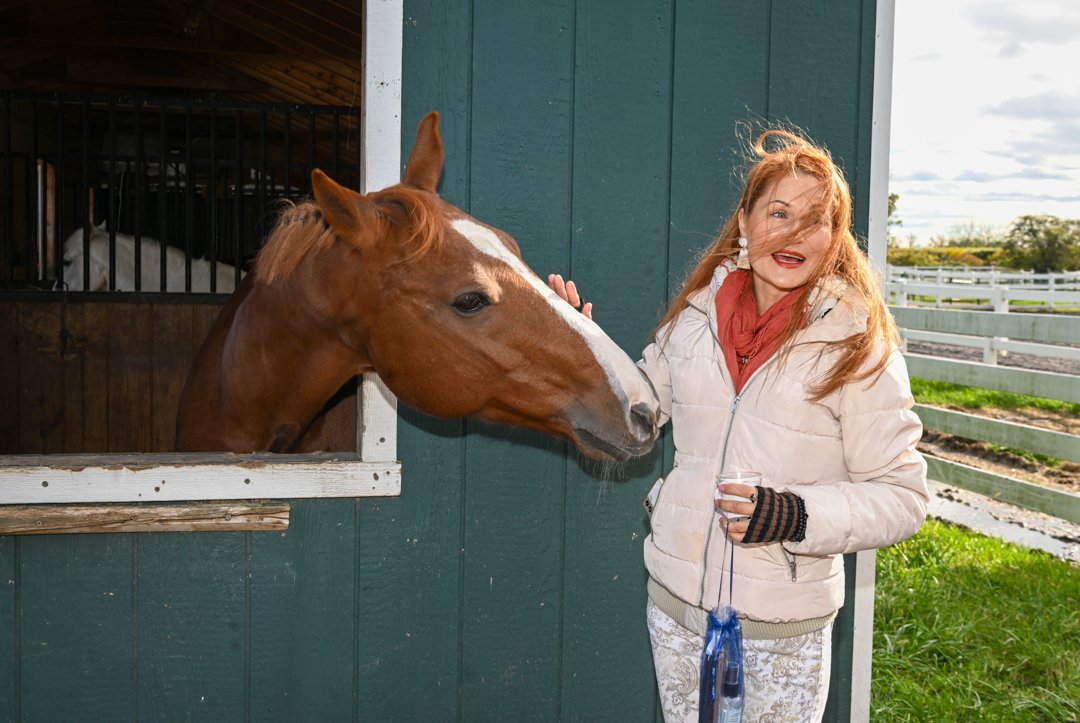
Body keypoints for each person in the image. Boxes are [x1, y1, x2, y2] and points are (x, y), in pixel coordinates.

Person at [548, 127, 928, 722]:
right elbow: (634, 418)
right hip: (675, 609)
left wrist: (795, 515)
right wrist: (577, 347)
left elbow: (904, 498)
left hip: (783, 630)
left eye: (817, 221)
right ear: (745, 222)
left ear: (835, 241)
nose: (795, 234)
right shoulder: (692, 320)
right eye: (779, 212)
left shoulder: (858, 346)